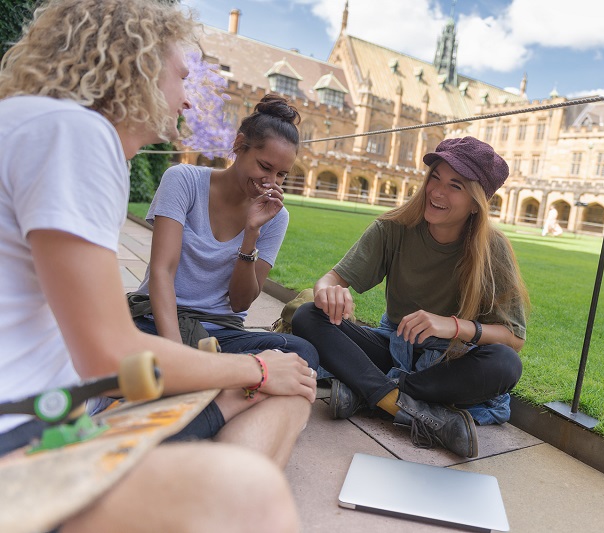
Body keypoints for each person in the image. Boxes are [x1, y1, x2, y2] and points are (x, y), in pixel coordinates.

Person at [0, 1, 313, 531]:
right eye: (182, 75)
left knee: (289, 386)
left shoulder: (38, 122)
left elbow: (234, 305)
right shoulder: (76, 134)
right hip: (28, 442)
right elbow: (110, 355)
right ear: (138, 63)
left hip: (64, 405)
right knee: (259, 478)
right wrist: (253, 369)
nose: (188, 97)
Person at [292, 136, 529, 458]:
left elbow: (513, 337)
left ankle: (366, 392)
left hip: (450, 362)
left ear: (476, 202)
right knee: (308, 315)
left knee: (504, 364)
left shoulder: (492, 249)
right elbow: (331, 279)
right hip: (394, 348)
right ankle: (399, 405)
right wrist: (328, 292)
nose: (437, 191)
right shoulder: (393, 227)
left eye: (455, 185)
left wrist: (453, 326)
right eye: (435, 177)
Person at [129, 93, 319, 373]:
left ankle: (212, 374)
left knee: (303, 354)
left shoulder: (275, 218)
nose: (270, 182)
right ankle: (220, 375)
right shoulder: (183, 180)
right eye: (265, 167)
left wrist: (251, 232)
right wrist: (175, 356)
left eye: (281, 175)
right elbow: (162, 271)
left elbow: (240, 302)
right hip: (159, 320)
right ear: (239, 145)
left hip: (222, 334)